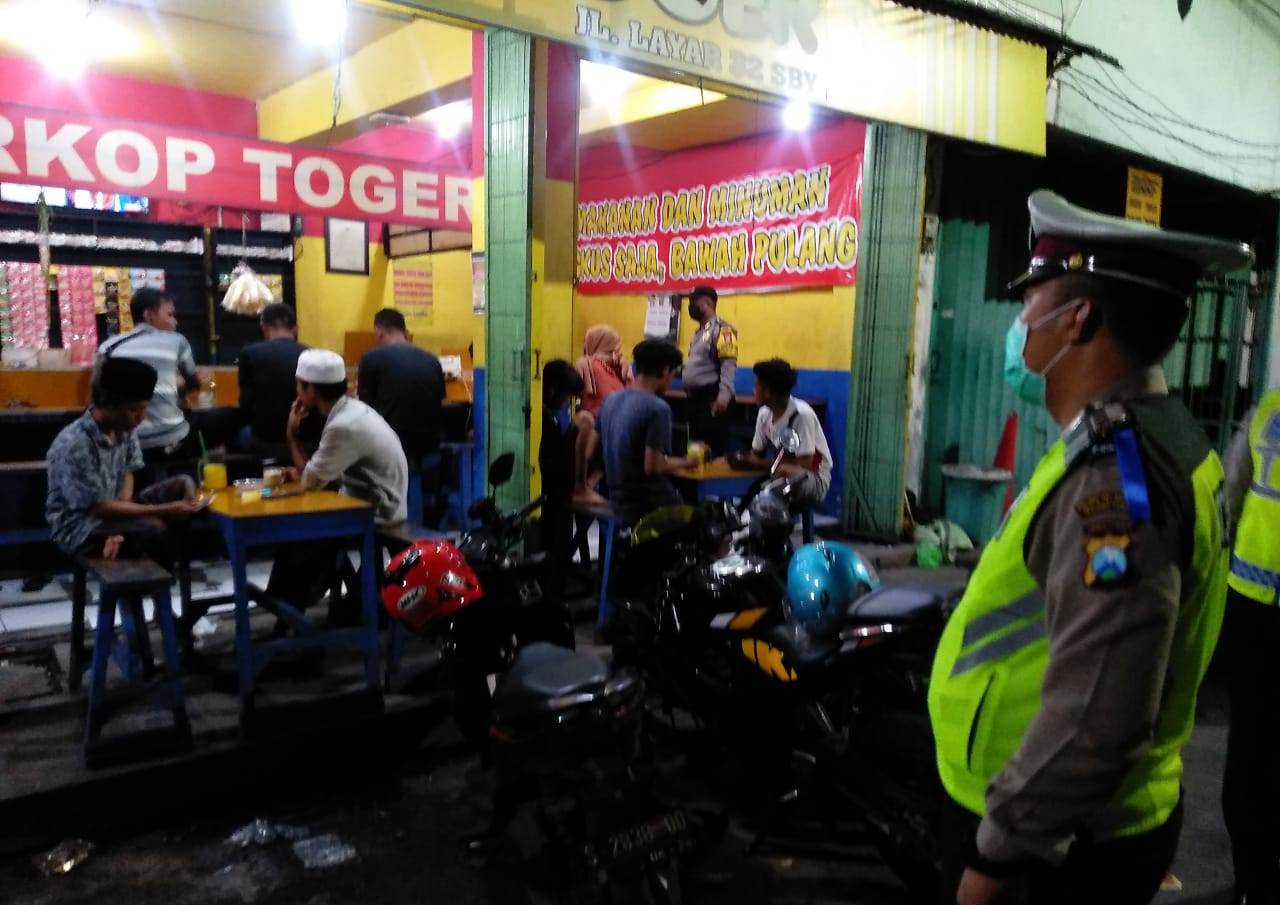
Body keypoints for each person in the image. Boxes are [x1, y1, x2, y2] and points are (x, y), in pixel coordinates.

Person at [928, 189, 1252, 905]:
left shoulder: (1117, 477)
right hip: (1070, 826)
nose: (1019, 324)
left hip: (1057, 847)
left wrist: (997, 854)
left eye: (1029, 303)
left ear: (1076, 319)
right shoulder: (1145, 436)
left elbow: (1100, 711)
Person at [268, 349, 409, 619]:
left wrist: (292, 435)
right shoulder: (351, 410)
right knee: (301, 536)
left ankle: (289, 614)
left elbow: (311, 481)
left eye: (299, 385)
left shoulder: (343, 425)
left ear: (310, 389)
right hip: (365, 499)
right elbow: (322, 473)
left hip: (379, 510)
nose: (296, 391)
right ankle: (290, 609)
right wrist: (307, 472)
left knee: (300, 537)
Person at [46, 357, 200, 564]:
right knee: (154, 529)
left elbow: (128, 470)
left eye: (144, 408)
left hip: (116, 510)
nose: (141, 417)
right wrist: (164, 509)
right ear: (108, 404)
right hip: (81, 527)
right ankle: (157, 575)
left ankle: (170, 566)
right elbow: (99, 508)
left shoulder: (124, 428)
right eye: (134, 410)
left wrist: (127, 510)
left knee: (183, 485)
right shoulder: (75, 443)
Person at [1221, 388, 1280, 904]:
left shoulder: (1268, 411)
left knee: (1250, 747)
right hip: (1255, 607)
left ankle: (1251, 882)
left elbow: (1231, 492)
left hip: (1250, 606)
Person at [597, 339, 696, 526]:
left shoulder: (610, 399)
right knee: (705, 524)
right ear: (665, 370)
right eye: (672, 374)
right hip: (646, 503)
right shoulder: (657, 408)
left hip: (616, 499)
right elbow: (654, 467)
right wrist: (689, 461)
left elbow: (591, 451)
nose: (670, 382)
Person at [97, 287, 201, 463]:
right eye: (170, 315)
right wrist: (178, 388)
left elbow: (97, 395)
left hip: (125, 439)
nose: (175, 322)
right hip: (168, 437)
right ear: (148, 315)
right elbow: (195, 382)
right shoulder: (177, 341)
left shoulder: (109, 346)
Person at [729, 358, 832, 510]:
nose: (753, 390)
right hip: (780, 474)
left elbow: (804, 467)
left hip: (813, 479)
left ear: (768, 392)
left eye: (756, 385)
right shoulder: (764, 414)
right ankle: (741, 517)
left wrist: (764, 465)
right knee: (759, 486)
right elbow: (755, 454)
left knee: (777, 481)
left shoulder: (801, 416)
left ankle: (772, 519)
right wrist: (740, 459)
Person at [358, 308, 445, 469]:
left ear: (379, 332)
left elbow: (365, 407)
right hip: (429, 443)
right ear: (405, 332)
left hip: (391, 445)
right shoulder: (433, 360)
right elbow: (440, 398)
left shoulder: (370, 359)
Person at [236, 302, 306, 461]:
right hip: (304, 442)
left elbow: (245, 406)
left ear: (264, 327)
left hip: (264, 441)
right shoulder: (310, 353)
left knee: (236, 433)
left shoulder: (250, 353)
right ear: (296, 329)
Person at [573, 324, 630, 503]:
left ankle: (592, 483)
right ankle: (589, 483)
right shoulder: (589, 365)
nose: (617, 352)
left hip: (610, 426)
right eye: (613, 347)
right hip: (601, 426)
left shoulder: (613, 368)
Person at [682, 284, 738, 457]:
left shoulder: (723, 330)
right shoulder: (699, 333)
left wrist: (723, 397)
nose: (690, 307)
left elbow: (728, 364)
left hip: (712, 400)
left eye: (693, 302)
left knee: (712, 451)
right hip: (695, 401)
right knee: (695, 451)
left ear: (707, 303)